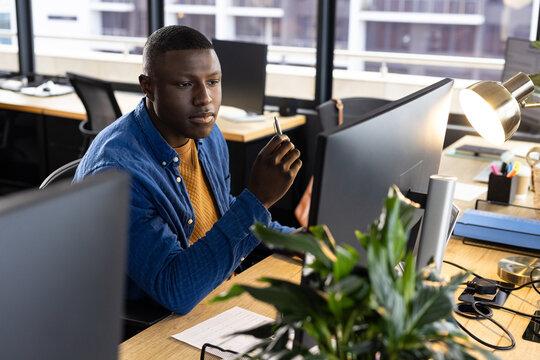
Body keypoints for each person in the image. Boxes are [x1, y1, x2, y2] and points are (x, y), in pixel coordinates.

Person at [73, 25, 302, 315]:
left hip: (216, 290)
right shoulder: (116, 174)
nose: (204, 98)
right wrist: (258, 199)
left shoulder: (207, 133)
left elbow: (217, 207)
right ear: (148, 86)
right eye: (185, 84)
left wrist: (287, 237)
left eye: (213, 82)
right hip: (156, 323)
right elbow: (175, 289)